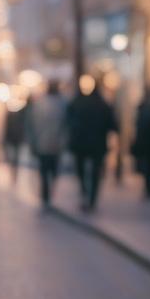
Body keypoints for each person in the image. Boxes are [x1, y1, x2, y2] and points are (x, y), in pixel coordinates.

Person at [67, 74, 118, 211]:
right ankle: (92, 198)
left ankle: (85, 194)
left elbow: (68, 122)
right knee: (95, 172)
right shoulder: (102, 104)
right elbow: (113, 124)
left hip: (81, 143)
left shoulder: (76, 103)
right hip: (97, 144)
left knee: (82, 171)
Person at [26, 80, 68, 206]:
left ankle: (46, 195)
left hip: (42, 144)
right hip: (56, 144)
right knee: (53, 170)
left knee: (44, 171)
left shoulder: (38, 104)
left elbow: (31, 125)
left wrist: (33, 142)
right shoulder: (63, 104)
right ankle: (48, 193)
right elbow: (66, 126)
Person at [2, 99, 27, 181]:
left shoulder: (10, 116)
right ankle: (14, 168)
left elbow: (6, 128)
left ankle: (14, 168)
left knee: (14, 155)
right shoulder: (18, 116)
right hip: (15, 138)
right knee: (14, 155)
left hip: (13, 138)